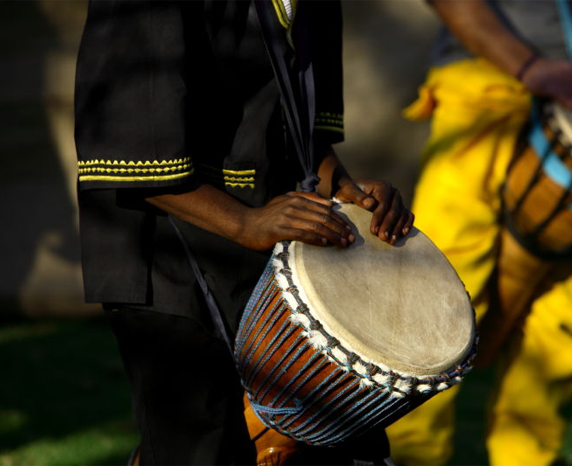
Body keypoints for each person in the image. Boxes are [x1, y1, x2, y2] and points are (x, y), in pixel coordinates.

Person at [74, 1, 414, 465]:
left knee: (338, 448)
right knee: (202, 445)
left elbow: (300, 130)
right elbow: (132, 152)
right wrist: (245, 222)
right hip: (166, 252)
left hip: (266, 250)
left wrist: (346, 190)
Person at [385, 1, 572, 465]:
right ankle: (411, 456)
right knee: (440, 298)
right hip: (481, 89)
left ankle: (528, 457)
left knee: (561, 311)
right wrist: (528, 65)